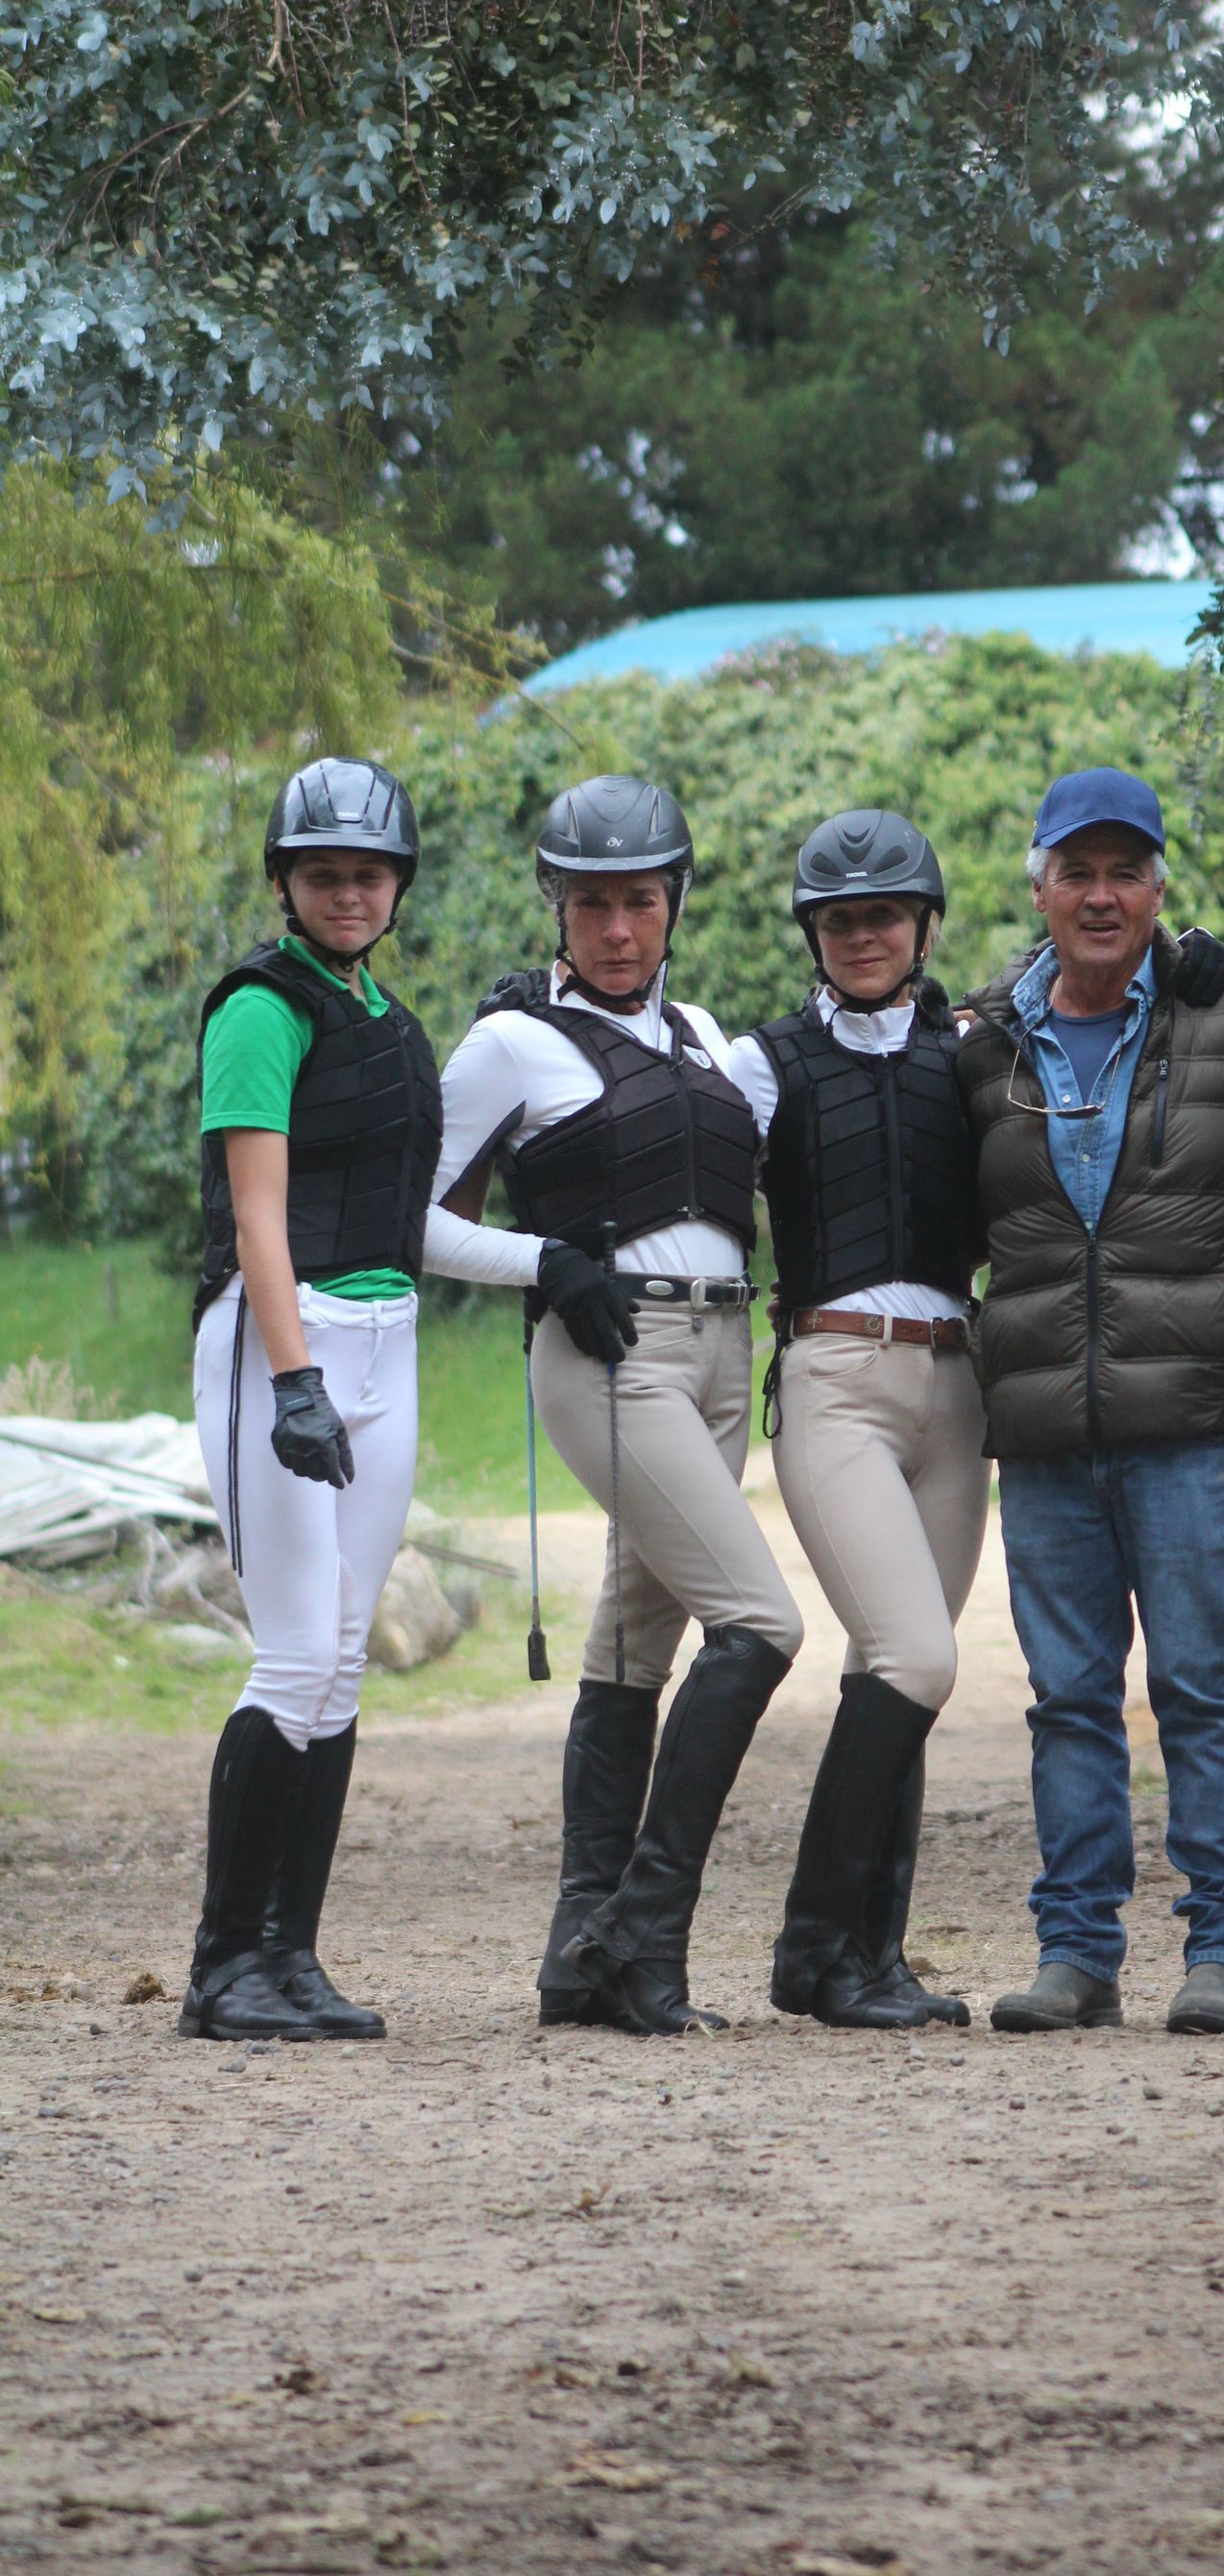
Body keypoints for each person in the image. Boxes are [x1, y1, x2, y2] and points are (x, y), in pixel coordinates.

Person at [423, 772, 802, 2037]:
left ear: (674, 902)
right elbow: (413, 1219)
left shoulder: (697, 1027)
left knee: (635, 1645)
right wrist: (545, 1265)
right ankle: (643, 1937)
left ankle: (577, 1957)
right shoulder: (508, 1043)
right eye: (594, 906)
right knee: (757, 1624)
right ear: (560, 907)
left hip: (717, 1352)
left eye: (641, 901)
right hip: (611, 1351)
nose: (620, 929)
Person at [956, 767, 1224, 2035]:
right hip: (1043, 1433)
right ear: (1037, 886)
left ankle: (1222, 1952)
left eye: (1126, 871)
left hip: (1192, 1426)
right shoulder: (980, 1041)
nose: (1102, 895)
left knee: (1202, 1685)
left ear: (1159, 888)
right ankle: (1076, 1954)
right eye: (1077, 872)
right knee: (1068, 1699)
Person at [184, 757, 438, 2042]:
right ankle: (225, 1966)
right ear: (287, 882)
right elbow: (258, 1215)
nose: (349, 891)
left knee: (342, 1658)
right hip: (284, 1338)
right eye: (325, 872)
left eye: (369, 872)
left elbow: (408, 1219)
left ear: (397, 884)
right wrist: (293, 1380)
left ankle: (291, 1959)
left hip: (387, 1341)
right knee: (293, 1648)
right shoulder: (259, 1010)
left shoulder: (388, 1018)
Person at [725, 810, 986, 2031]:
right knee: (920, 1656)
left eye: (884, 916)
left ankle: (868, 1961)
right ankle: (810, 1945)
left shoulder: (977, 1050)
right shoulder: (761, 1062)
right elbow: (683, 1176)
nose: (864, 935)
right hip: (834, 1378)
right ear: (812, 935)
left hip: (959, 1387)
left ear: (923, 925)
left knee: (898, 1675)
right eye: (840, 920)